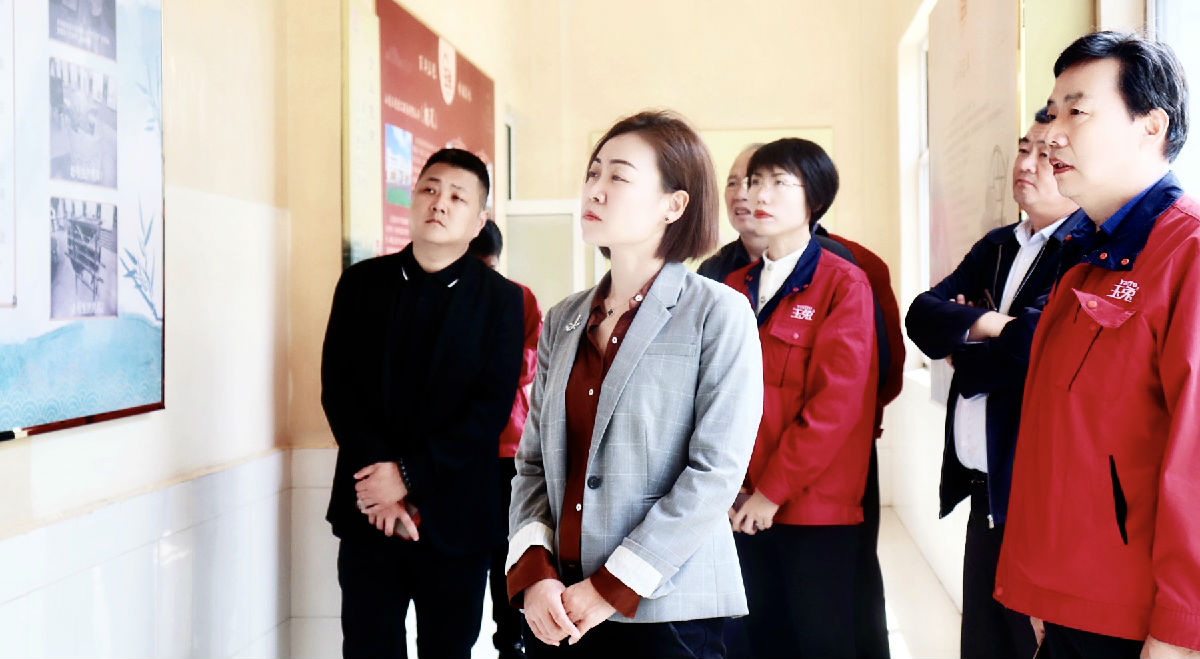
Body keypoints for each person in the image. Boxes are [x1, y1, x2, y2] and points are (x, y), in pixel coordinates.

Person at [505, 110, 763, 658]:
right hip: (558, 606)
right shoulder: (564, 318)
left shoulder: (718, 312)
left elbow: (715, 473)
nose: (595, 189)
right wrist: (535, 574)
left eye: (618, 176)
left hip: (667, 610)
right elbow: (533, 465)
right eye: (592, 173)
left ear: (674, 205)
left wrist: (609, 588)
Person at [995, 32, 1200, 658]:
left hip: (1141, 621)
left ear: (1151, 126)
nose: (1052, 135)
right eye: (1051, 113)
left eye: (1077, 112)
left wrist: (1181, 632)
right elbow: (1061, 440)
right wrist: (1042, 586)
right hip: (1073, 600)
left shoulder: (1187, 253)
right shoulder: (1086, 257)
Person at [321, 148, 525, 659]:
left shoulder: (502, 300)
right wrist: (383, 485)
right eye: (429, 189)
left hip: (456, 515)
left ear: (478, 221)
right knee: (368, 648)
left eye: (457, 196)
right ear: (412, 200)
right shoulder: (361, 284)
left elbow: (488, 410)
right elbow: (339, 390)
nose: (439, 203)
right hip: (369, 508)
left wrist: (408, 476)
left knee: (449, 650)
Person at [905, 109, 1081, 659]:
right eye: (1023, 149)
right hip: (984, 488)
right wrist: (990, 326)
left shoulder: (1080, 248)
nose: (1026, 164)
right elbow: (921, 314)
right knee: (982, 639)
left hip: (1033, 492)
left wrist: (965, 342)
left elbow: (1031, 350)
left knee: (1030, 641)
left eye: (1044, 155)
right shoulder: (999, 245)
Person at [725, 138, 878, 658]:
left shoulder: (843, 283)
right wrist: (732, 487)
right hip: (740, 501)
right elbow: (715, 397)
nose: (759, 194)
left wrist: (771, 492)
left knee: (820, 641)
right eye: (755, 181)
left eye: (779, 183)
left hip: (813, 508)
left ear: (815, 197)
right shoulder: (733, 286)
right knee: (757, 640)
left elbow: (836, 407)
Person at [469, 220, 544, 659]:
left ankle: (510, 640)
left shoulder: (517, 298)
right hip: (479, 448)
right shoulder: (461, 297)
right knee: (486, 549)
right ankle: (506, 641)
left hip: (503, 446)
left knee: (503, 548)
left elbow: (527, 367)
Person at [697, 144, 768, 282]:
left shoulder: (810, 262)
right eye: (732, 183)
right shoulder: (712, 270)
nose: (739, 195)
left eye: (753, 182)